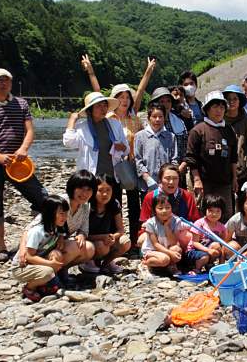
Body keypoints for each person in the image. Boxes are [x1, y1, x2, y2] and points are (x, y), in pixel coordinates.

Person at [81, 54, 156, 250]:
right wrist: (90, 71)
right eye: (120, 97)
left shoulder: (134, 115)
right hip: (113, 167)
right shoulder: (108, 115)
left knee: (134, 204)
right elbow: (97, 94)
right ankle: (113, 238)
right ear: (114, 100)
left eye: (127, 97)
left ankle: (133, 239)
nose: (124, 100)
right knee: (113, 203)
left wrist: (148, 71)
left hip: (131, 165)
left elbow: (141, 90)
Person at [0, 68, 48, 262]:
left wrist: (23, 148)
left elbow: (29, 130)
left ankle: (39, 237)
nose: (4, 83)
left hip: (18, 161)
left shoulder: (21, 104)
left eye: (7, 80)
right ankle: (2, 247)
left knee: (42, 197)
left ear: (11, 83)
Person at [12, 195, 77, 302]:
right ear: (50, 214)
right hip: (21, 267)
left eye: (66, 213)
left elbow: (62, 234)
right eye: (61, 214)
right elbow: (29, 257)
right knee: (48, 272)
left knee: (57, 254)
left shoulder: (56, 228)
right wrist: (50, 264)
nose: (65, 217)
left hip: (36, 262)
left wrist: (61, 238)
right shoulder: (37, 232)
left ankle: (44, 283)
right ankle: (29, 288)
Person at [186, 90, 238, 221]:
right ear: (207, 109)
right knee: (205, 215)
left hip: (225, 182)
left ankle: (224, 241)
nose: (219, 110)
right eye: (215, 106)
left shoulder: (229, 130)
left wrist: (235, 178)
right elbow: (191, 158)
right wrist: (197, 180)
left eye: (222, 107)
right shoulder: (198, 130)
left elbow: (233, 157)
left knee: (226, 215)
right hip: (205, 182)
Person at [63, 92, 130, 181]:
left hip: (113, 176)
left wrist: (122, 147)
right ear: (90, 110)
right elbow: (68, 142)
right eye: (98, 106)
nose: (103, 109)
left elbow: (127, 150)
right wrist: (72, 120)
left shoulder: (115, 124)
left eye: (105, 105)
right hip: (91, 177)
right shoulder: (82, 128)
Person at [138, 164, 201, 247]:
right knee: (142, 240)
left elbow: (195, 222)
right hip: (156, 232)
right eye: (167, 178)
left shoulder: (187, 196)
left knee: (188, 237)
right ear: (160, 179)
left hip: (180, 231)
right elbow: (144, 222)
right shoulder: (150, 196)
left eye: (175, 178)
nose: (171, 182)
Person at [87, 174, 132, 274]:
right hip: (91, 242)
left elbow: (121, 229)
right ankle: (88, 261)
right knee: (101, 246)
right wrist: (103, 237)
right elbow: (83, 235)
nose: (105, 194)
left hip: (107, 239)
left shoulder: (114, 204)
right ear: (94, 190)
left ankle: (106, 263)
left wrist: (113, 237)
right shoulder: (88, 206)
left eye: (108, 190)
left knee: (125, 242)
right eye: (100, 190)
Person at [133, 103, 178, 193]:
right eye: (154, 116)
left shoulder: (171, 137)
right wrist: (147, 178)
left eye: (160, 116)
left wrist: (169, 178)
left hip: (167, 185)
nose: (157, 120)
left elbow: (174, 160)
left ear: (164, 118)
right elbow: (138, 160)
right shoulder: (140, 136)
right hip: (147, 185)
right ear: (149, 118)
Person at [150, 87, 188, 188]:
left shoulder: (179, 122)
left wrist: (181, 166)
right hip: (156, 175)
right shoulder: (148, 126)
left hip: (178, 172)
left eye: (168, 101)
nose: (165, 104)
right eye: (162, 101)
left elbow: (186, 146)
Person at [141, 193, 189, 275]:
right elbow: (155, 244)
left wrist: (167, 226)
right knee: (164, 259)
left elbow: (173, 242)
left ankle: (170, 266)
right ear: (154, 210)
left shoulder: (176, 221)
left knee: (177, 250)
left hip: (167, 247)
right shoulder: (150, 223)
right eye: (160, 208)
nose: (164, 211)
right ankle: (146, 264)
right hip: (152, 250)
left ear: (172, 209)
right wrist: (170, 253)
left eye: (168, 208)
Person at [223, 84, 247, 192]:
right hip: (223, 171)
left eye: (235, 99)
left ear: (240, 101)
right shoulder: (219, 120)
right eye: (228, 99)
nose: (231, 102)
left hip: (243, 171)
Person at [187, 194, 227, 273]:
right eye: (210, 211)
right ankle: (196, 269)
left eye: (218, 211)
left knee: (216, 245)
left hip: (209, 250)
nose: (214, 214)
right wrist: (208, 250)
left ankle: (209, 264)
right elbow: (194, 243)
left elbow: (223, 245)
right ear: (205, 210)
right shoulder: (199, 223)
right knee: (205, 256)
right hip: (194, 251)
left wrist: (221, 264)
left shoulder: (222, 227)